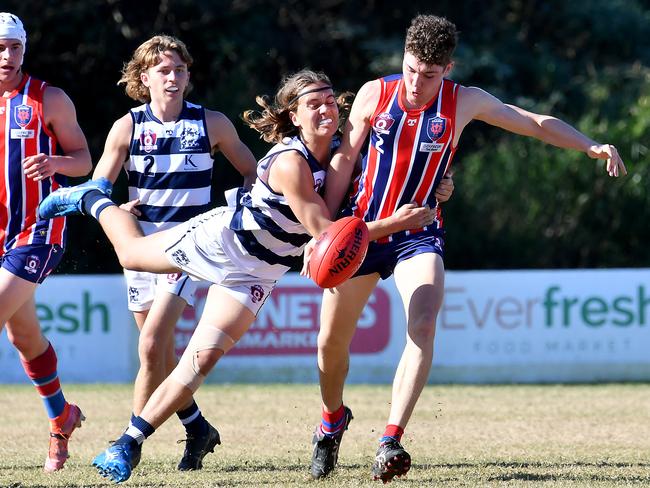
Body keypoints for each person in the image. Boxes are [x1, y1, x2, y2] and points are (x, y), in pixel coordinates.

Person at [38, 69, 440, 483]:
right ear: (294, 115)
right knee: (131, 252)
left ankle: (128, 442)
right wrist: (392, 224)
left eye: (329, 100)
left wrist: (441, 182)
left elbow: (398, 167)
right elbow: (325, 234)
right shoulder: (290, 162)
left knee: (201, 360)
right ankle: (91, 198)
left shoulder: (343, 153)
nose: (325, 108)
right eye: (312, 103)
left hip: (260, 272)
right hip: (223, 242)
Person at [310, 14, 627, 483]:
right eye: (412, 68)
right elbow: (343, 163)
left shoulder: (465, 102)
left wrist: (589, 146)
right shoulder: (374, 94)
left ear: (449, 69)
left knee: (423, 322)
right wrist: (326, 231)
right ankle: (331, 421)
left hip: (419, 232)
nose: (417, 83)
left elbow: (534, 122)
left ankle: (390, 440)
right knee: (329, 349)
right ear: (403, 56)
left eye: (430, 75)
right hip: (364, 232)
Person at [91, 34, 257, 471]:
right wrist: (113, 206)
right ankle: (198, 427)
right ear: (144, 77)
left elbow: (255, 174)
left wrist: (235, 213)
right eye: (163, 70)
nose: (173, 77)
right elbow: (98, 187)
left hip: (187, 247)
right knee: (161, 354)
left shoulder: (212, 123)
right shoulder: (127, 126)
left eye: (179, 69)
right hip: (140, 248)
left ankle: (128, 446)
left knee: (148, 347)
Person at [0, 12, 92, 472]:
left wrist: (56, 163)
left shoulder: (47, 98)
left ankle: (60, 422)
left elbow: (84, 160)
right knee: (25, 336)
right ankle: (62, 420)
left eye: (14, 47)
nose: (7, 55)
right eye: (0, 46)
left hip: (36, 232)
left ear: (24, 49)